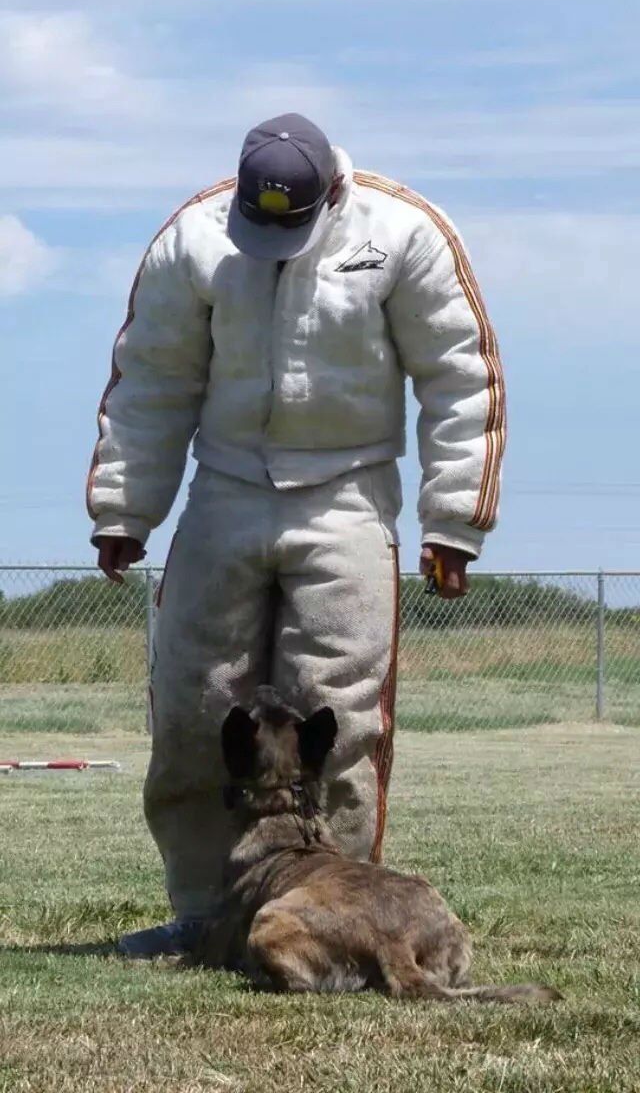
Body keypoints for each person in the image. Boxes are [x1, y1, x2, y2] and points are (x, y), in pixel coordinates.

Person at [87, 113, 506, 957]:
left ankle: (338, 924)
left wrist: (454, 521)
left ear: (333, 192)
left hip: (349, 494)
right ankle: (205, 917)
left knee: (336, 719)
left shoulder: (403, 233)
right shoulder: (192, 239)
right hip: (227, 486)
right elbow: (153, 379)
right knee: (197, 710)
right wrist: (124, 509)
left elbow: (461, 374)